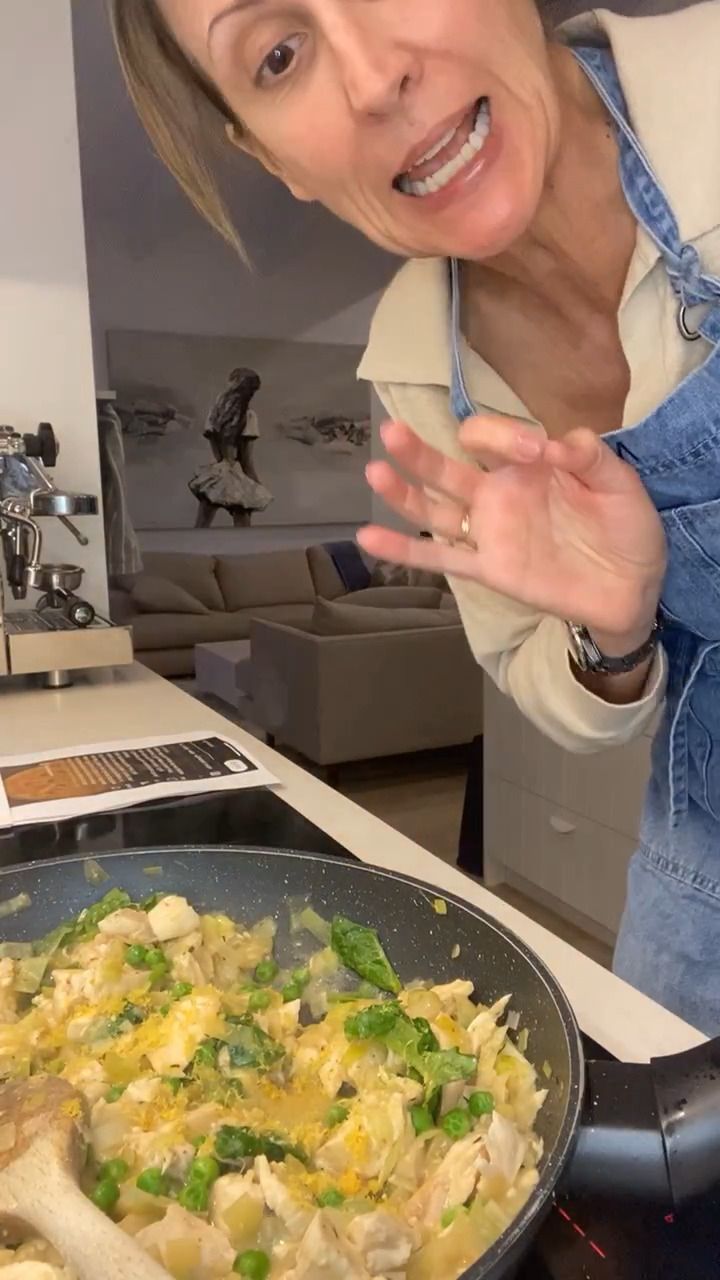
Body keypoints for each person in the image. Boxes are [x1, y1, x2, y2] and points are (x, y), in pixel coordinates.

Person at [111, 0, 720, 1034]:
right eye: (279, 55)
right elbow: (540, 670)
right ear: (272, 156)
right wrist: (611, 634)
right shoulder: (419, 373)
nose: (370, 77)